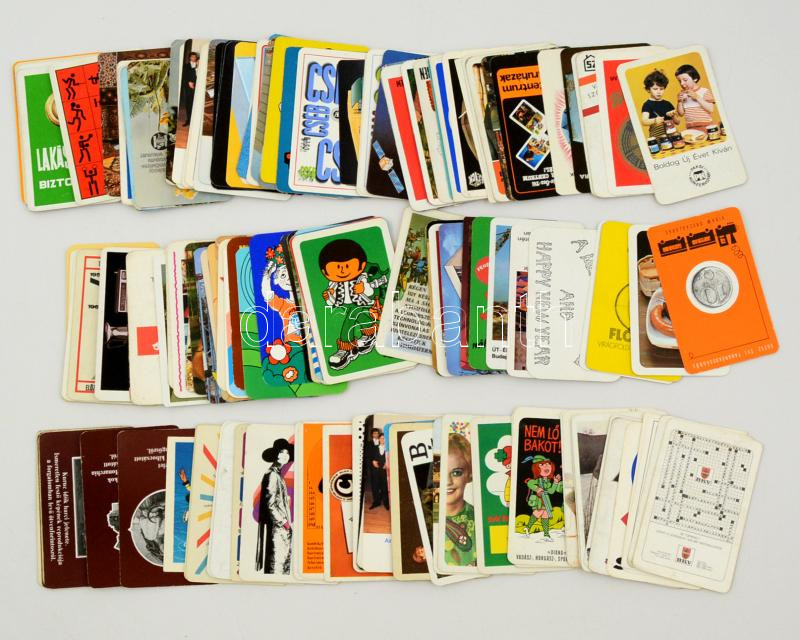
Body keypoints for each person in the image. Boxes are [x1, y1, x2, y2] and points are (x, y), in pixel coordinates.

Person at [318, 238, 387, 370]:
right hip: (348, 306)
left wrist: (363, 289)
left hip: (363, 303)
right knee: (359, 317)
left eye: (347, 266)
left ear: (361, 266)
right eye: (337, 267)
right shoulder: (333, 284)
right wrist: (329, 297)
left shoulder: (362, 278)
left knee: (351, 317)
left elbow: (370, 291)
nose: (342, 271)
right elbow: (333, 302)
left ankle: (346, 348)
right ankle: (370, 333)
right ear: (325, 272)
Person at [255, 438, 293, 575]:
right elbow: (270, 504)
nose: (285, 456)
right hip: (278, 529)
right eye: (282, 453)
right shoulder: (272, 475)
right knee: (277, 566)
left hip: (281, 530)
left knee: (283, 566)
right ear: (276, 455)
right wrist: (284, 523)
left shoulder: (277, 474)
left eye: (287, 453)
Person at [444, 432, 476, 567]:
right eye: (439, 471)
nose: (447, 482)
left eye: (456, 472)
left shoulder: (479, 518)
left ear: (469, 474)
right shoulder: (424, 516)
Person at [522, 455, 563, 539]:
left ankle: (546, 534)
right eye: (542, 465)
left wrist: (555, 483)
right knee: (537, 514)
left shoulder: (547, 482)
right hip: (539, 501)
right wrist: (537, 488)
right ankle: (528, 528)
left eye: (548, 464)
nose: (546, 466)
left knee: (545, 516)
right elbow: (530, 483)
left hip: (546, 501)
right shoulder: (537, 480)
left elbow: (551, 491)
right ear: (537, 468)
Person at [674, 64, 715, 131]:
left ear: (695, 78)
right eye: (679, 81)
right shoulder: (682, 94)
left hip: (706, 126)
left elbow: (711, 109)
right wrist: (679, 102)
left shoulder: (705, 91)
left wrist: (697, 97)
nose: (682, 83)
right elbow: (681, 114)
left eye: (685, 80)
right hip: (690, 128)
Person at [640, 69, 679, 139]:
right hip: (657, 138)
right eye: (655, 89)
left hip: (672, 136)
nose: (659, 92)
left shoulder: (668, 103)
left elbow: (677, 122)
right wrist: (655, 120)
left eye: (661, 89)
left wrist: (673, 116)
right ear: (648, 89)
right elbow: (644, 121)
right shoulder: (647, 104)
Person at [367, 428, 389, 510]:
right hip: (375, 470)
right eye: (381, 438)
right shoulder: (374, 448)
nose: (383, 440)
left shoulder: (388, 449)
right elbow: (370, 457)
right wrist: (373, 461)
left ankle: (386, 503)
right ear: (379, 439)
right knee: (375, 486)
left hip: (384, 470)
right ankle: (376, 502)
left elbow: (391, 458)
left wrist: (387, 463)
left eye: (384, 438)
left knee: (385, 486)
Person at [181, 52, 199, 126]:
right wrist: (189, 82)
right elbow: (184, 76)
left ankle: (195, 122)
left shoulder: (199, 65)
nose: (194, 58)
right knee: (188, 104)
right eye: (192, 57)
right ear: (190, 58)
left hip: (198, 87)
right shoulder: (186, 66)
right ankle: (188, 120)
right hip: (188, 88)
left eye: (195, 57)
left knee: (197, 103)